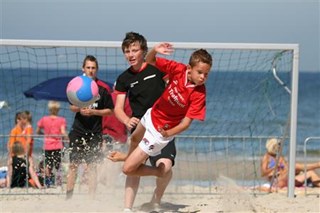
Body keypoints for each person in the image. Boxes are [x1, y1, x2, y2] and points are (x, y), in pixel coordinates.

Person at [107, 32, 177, 212]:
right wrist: (126, 120)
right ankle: (127, 208)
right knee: (131, 169)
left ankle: (156, 198)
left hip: (162, 127)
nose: (130, 54)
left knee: (166, 167)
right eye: (127, 51)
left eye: (134, 50)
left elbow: (173, 88)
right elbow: (118, 109)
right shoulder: (123, 79)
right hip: (140, 128)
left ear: (143, 51)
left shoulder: (157, 69)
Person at [66, 55, 114, 199]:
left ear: (97, 69)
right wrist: (80, 108)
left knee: (92, 166)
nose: (91, 70)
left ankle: (91, 199)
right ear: (83, 68)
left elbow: (110, 111)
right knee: (73, 164)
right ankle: (68, 197)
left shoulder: (103, 89)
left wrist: (94, 112)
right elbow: (71, 107)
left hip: (94, 132)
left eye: (93, 68)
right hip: (78, 131)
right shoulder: (77, 86)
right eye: (88, 67)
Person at [36, 100, 68, 187]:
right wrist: (67, 138)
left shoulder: (44, 119)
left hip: (47, 145)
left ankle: (48, 182)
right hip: (58, 145)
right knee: (58, 165)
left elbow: (37, 131)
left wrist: (44, 134)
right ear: (58, 109)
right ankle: (59, 183)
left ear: (49, 109)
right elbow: (63, 132)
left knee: (48, 165)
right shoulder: (61, 120)